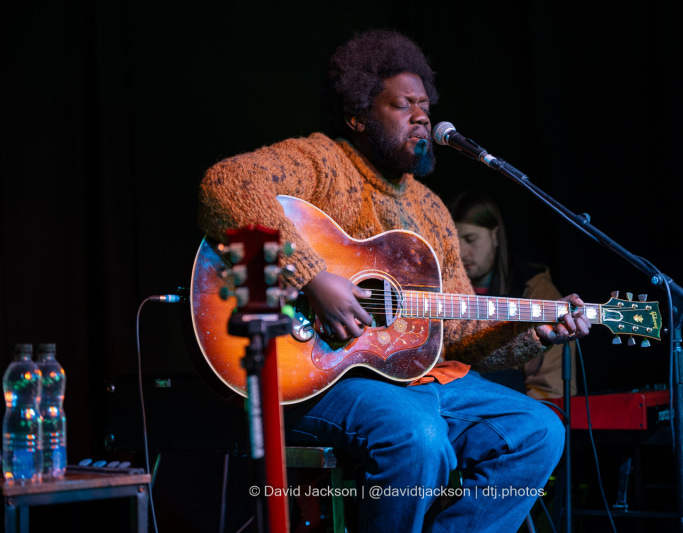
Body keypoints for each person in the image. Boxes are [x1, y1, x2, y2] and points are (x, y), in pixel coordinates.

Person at [198, 29, 591, 533]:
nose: (422, 116)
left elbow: (460, 339)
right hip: (321, 373)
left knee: (537, 429)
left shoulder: (431, 209)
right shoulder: (322, 161)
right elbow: (226, 185)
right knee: (417, 434)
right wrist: (315, 279)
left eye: (424, 105)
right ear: (358, 116)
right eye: (403, 105)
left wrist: (535, 334)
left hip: (416, 381)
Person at [449, 191, 578, 399]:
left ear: (495, 235)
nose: (461, 252)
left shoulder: (536, 293)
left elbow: (551, 392)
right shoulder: (438, 291)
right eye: (454, 240)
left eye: (470, 239)